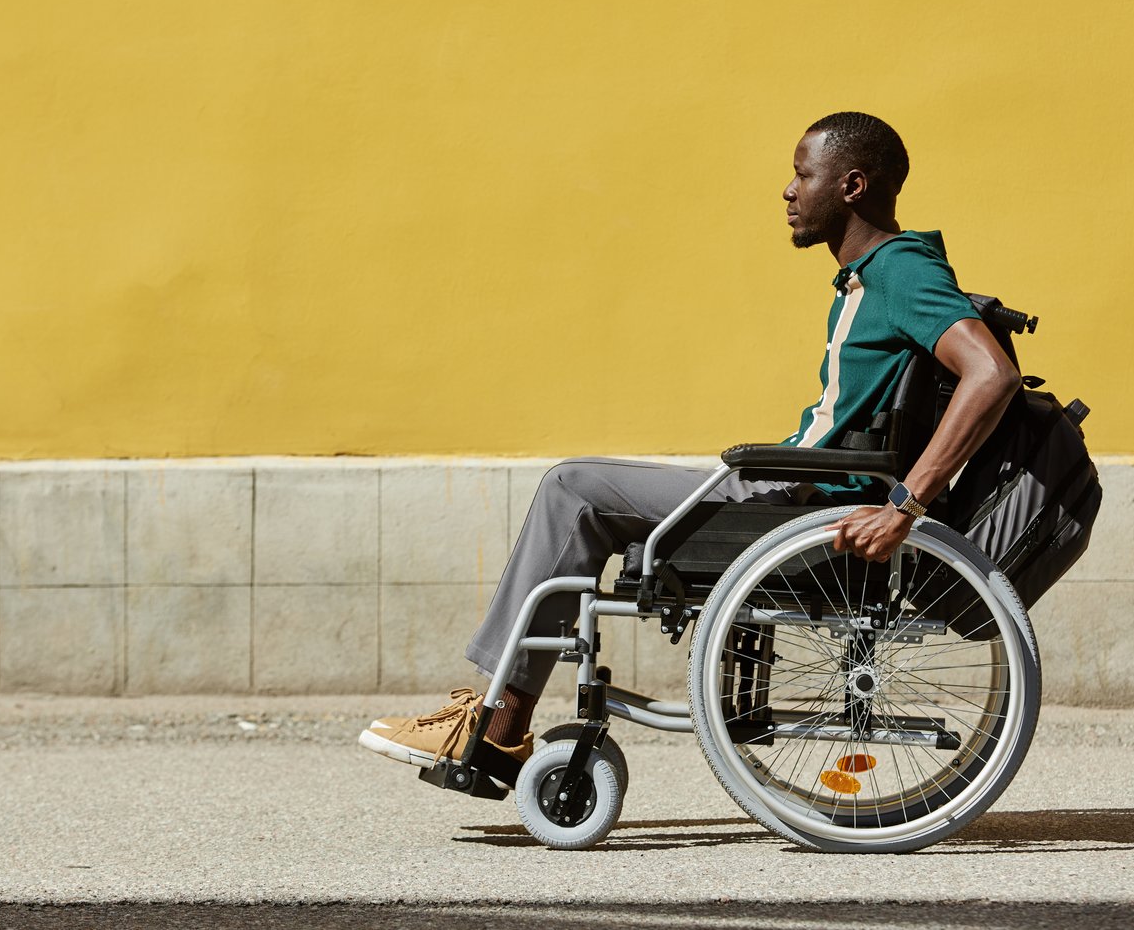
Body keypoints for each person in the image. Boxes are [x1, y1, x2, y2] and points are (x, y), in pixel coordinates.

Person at [358, 112, 1022, 776]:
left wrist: (905, 506)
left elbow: (991, 374)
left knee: (573, 490)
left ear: (851, 186)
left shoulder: (901, 271)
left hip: (799, 500)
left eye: (802, 174)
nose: (788, 190)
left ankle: (496, 724)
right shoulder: (874, 274)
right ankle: (500, 724)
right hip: (795, 488)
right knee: (580, 494)